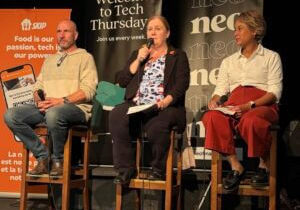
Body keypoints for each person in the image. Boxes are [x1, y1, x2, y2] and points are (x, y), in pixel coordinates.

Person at [4, 19, 98, 176]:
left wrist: (61, 101)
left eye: (66, 31)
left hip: (76, 108)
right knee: (11, 115)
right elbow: (37, 87)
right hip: (48, 107)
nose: (62, 35)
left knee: (54, 113)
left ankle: (58, 160)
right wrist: (39, 100)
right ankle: (43, 157)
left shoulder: (85, 57)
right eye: (59, 32)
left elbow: (88, 91)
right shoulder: (49, 60)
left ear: (75, 35)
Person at [202, 10, 283, 192]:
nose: (235, 33)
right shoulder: (228, 62)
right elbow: (220, 91)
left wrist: (250, 105)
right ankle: (235, 165)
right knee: (211, 117)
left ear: (255, 31)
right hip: (235, 105)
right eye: (234, 29)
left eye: (240, 28)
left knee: (252, 120)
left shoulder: (271, 57)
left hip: (262, 105)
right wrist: (214, 101)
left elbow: (275, 92)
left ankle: (263, 165)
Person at [109, 15, 190, 185]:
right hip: (137, 104)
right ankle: (125, 169)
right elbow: (123, 80)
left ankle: (158, 169)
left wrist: (166, 101)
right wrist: (138, 59)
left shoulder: (177, 55)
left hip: (165, 105)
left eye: (157, 29)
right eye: (149, 29)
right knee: (117, 115)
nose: (153, 32)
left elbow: (182, 83)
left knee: (158, 125)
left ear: (167, 33)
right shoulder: (139, 55)